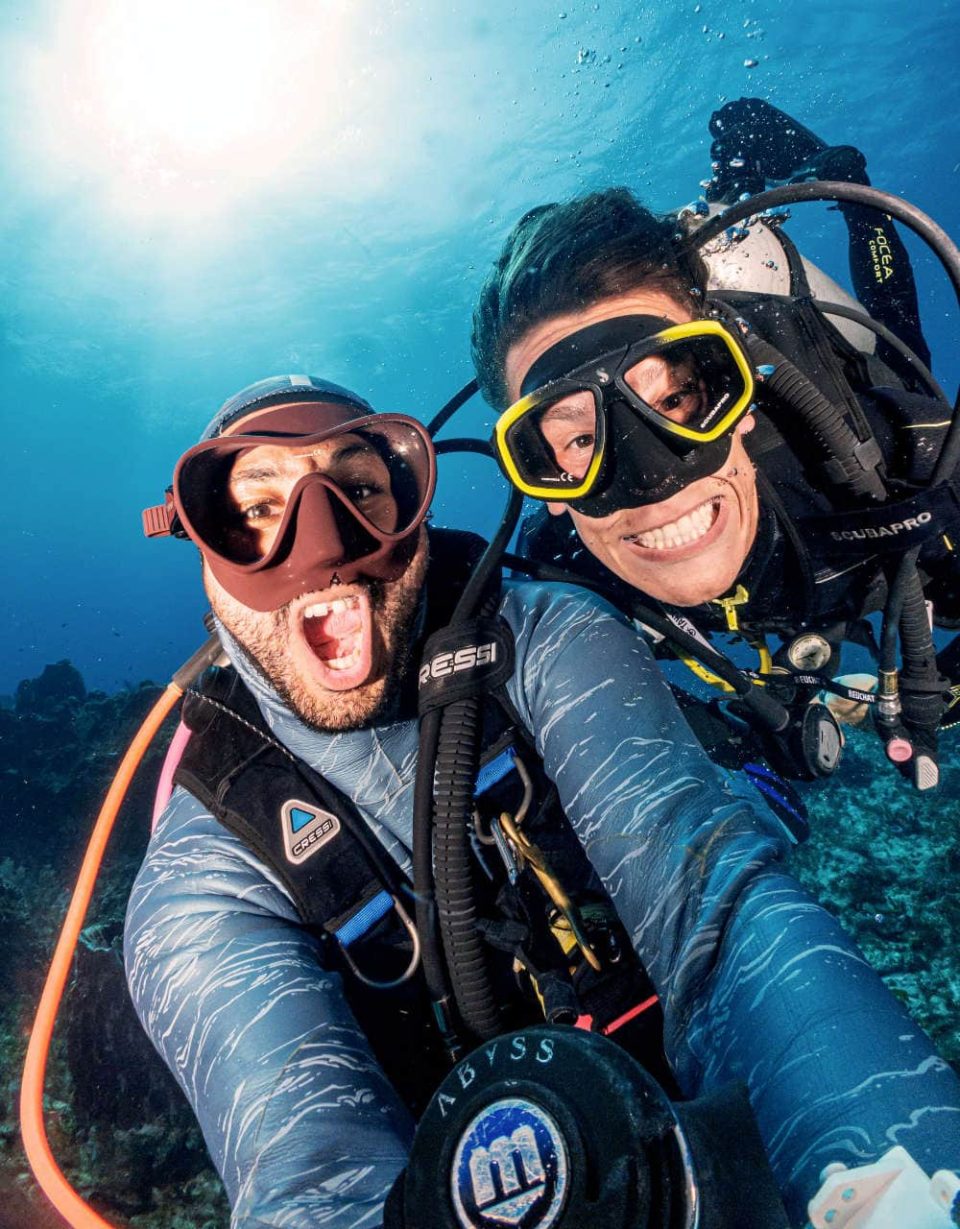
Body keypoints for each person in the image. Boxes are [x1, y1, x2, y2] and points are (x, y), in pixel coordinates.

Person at [124, 372, 960, 1228]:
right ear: (198, 543)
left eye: (362, 489)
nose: (323, 540)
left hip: (689, 1107)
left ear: (411, 501)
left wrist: (891, 1186)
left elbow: (720, 914)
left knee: (739, 817)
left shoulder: (544, 637)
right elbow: (309, 1174)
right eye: (258, 510)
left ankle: (742, 767)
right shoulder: (197, 884)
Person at [472, 100, 960, 788]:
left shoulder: (903, 462)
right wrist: (727, 733)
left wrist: (947, 684)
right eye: (579, 438)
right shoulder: (560, 578)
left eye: (674, 400)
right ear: (539, 477)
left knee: (904, 345)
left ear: (743, 404)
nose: (653, 479)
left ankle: (851, 192)